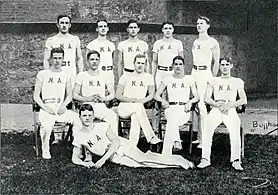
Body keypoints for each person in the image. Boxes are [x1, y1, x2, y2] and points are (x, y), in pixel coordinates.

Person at [71, 103, 195, 169]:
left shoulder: (102, 126)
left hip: (121, 147)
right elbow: (74, 158)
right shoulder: (79, 136)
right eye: (84, 116)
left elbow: (115, 142)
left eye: (89, 115)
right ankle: (177, 162)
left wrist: (102, 160)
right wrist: (85, 164)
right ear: (80, 117)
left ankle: (180, 161)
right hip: (113, 157)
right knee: (140, 165)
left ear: (93, 116)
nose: (87, 118)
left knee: (142, 159)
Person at [197, 57, 247, 171]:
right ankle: (205, 159)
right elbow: (206, 98)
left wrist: (229, 105)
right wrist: (217, 104)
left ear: (231, 66)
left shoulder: (237, 81)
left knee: (235, 126)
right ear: (219, 66)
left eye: (227, 64)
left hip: (230, 109)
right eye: (222, 64)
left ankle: (236, 160)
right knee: (207, 123)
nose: (224, 67)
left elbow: (243, 99)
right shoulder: (213, 80)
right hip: (216, 108)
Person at [33, 47, 80, 159]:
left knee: (78, 119)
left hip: (60, 107)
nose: (57, 61)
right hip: (46, 107)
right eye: (55, 58)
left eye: (60, 58)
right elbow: (36, 96)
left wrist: (63, 106)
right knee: (47, 126)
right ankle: (45, 150)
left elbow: (70, 95)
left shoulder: (66, 74)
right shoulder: (42, 74)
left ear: (63, 59)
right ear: (51, 59)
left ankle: (77, 149)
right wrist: (45, 108)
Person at [155, 56, 199, 155]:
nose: (178, 66)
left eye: (180, 64)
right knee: (172, 115)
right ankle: (176, 141)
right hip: (170, 107)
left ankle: (166, 153)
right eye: (176, 64)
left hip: (184, 110)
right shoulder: (167, 78)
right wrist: (163, 100)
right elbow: (156, 95)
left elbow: (197, 97)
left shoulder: (189, 79)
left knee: (172, 119)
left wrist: (190, 102)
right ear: (172, 66)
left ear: (183, 66)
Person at [116, 54, 161, 147]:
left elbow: (151, 94)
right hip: (124, 107)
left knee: (136, 116)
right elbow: (118, 95)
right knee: (138, 108)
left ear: (145, 65)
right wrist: (131, 100)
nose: (140, 65)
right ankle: (151, 136)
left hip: (138, 108)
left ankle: (132, 146)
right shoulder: (125, 76)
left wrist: (142, 101)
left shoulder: (148, 77)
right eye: (138, 63)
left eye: (142, 63)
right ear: (134, 63)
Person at [191, 16, 220, 148]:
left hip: (205, 74)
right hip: (195, 72)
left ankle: (205, 140)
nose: (199, 25)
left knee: (202, 106)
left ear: (208, 25)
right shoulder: (195, 41)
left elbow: (216, 62)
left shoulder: (213, 42)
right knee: (197, 106)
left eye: (201, 23)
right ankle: (199, 137)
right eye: (197, 23)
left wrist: (212, 78)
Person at [73, 50, 118, 135]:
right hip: (86, 106)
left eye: (97, 59)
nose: (94, 62)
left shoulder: (104, 75)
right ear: (87, 61)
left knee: (112, 116)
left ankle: (113, 143)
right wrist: (87, 98)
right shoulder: (81, 75)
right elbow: (74, 95)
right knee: (80, 122)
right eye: (92, 59)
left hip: (100, 105)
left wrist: (104, 98)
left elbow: (113, 94)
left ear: (99, 61)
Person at [43, 14, 83, 86]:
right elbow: (46, 59)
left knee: (71, 95)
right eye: (62, 23)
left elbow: (79, 58)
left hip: (71, 72)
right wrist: (48, 74)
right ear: (58, 25)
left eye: (66, 23)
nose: (64, 25)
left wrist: (80, 75)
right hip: (57, 72)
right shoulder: (51, 40)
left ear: (70, 25)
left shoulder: (75, 39)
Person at [152, 21, 184, 87]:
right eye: (166, 28)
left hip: (172, 72)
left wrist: (181, 76)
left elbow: (181, 62)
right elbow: (154, 61)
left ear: (173, 30)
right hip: (160, 72)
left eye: (170, 28)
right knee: (159, 94)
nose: (168, 30)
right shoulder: (157, 43)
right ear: (162, 30)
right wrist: (153, 77)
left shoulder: (178, 43)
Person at [86, 19, 116, 86]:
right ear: (97, 29)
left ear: (107, 29)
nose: (103, 28)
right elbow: (87, 62)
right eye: (101, 26)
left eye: (105, 26)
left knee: (110, 94)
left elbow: (113, 60)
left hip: (109, 73)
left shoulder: (111, 45)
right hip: (97, 72)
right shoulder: (91, 45)